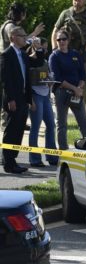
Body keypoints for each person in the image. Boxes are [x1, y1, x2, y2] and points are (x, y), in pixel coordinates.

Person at [2, 26, 43, 173]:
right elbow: (6, 80)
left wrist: (38, 49)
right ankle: (8, 162)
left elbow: (37, 63)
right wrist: (10, 99)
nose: (25, 38)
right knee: (11, 129)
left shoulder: (23, 54)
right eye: (22, 35)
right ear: (13, 37)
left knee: (19, 129)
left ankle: (13, 160)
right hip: (13, 99)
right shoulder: (7, 54)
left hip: (23, 98)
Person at [50, 31, 86, 152]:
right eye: (59, 40)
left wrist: (79, 87)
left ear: (68, 40)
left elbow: (82, 74)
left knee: (83, 122)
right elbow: (57, 78)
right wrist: (74, 88)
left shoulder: (75, 54)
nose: (61, 42)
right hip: (62, 92)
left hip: (77, 92)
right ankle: (63, 150)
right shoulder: (54, 56)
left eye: (63, 39)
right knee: (62, 124)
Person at [51, 0, 86, 75]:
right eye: (75, 0)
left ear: (85, 1)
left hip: (82, 52)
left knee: (81, 77)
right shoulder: (66, 13)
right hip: (65, 51)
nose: (76, 3)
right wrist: (54, 48)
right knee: (63, 75)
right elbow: (55, 31)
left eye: (79, 0)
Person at [26, 37, 56, 167]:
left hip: (45, 95)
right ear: (35, 46)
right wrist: (30, 99)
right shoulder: (30, 61)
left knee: (51, 125)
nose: (45, 49)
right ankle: (35, 158)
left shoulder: (45, 61)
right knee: (36, 126)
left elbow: (49, 77)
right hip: (35, 95)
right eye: (43, 47)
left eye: (45, 47)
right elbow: (26, 82)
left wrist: (50, 82)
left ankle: (52, 156)